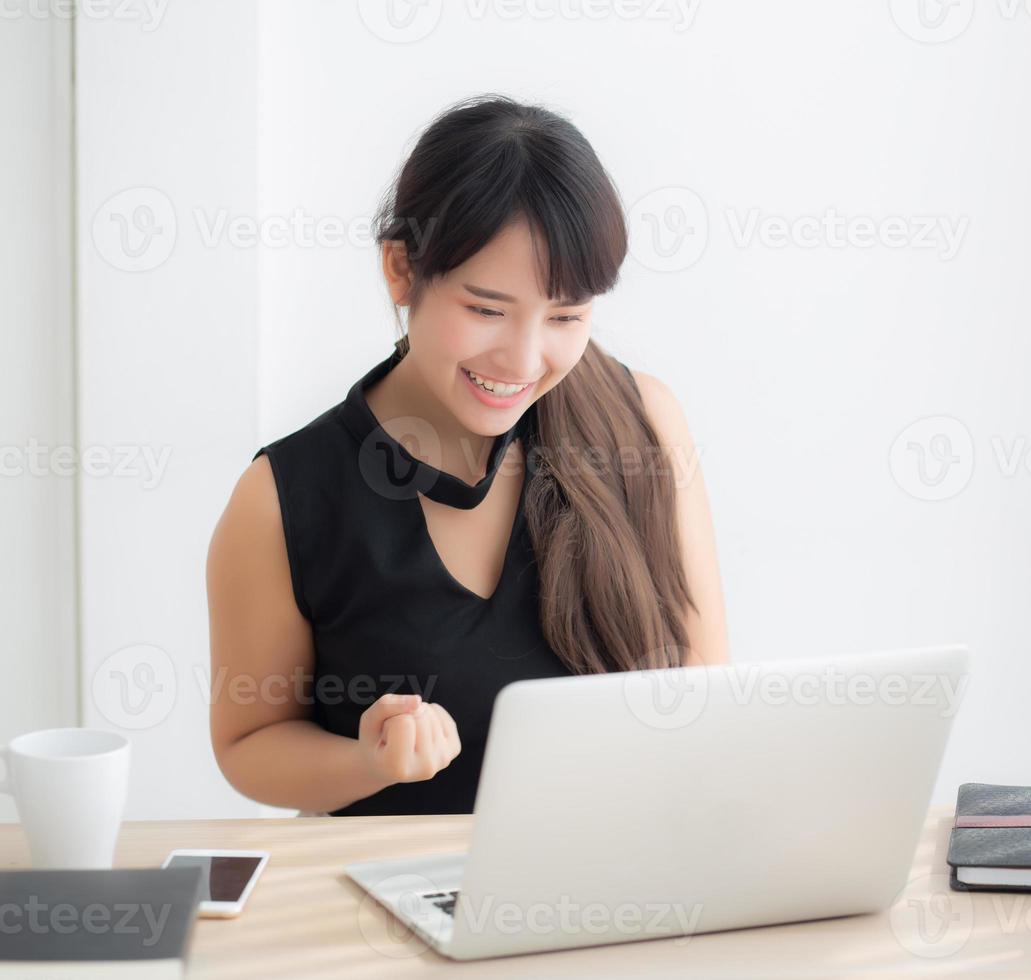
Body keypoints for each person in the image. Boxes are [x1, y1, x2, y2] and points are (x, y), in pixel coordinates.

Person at [205, 95, 728, 816]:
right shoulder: (282, 497)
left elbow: (708, 693)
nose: (524, 359)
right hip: (393, 898)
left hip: (621, 887)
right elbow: (248, 744)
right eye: (485, 309)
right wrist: (367, 759)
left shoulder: (643, 424)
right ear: (400, 269)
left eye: (567, 316)